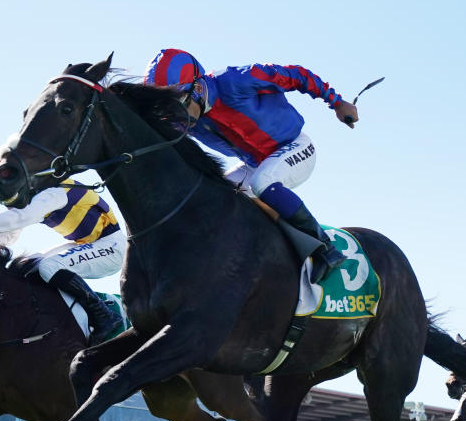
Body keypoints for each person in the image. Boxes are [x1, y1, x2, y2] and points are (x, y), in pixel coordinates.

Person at [144, 49, 359, 283]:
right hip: (255, 163)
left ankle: (324, 249)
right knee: (212, 197)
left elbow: (296, 75)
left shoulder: (236, 80)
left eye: (176, 106)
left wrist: (336, 102)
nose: (175, 118)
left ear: (197, 88)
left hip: (296, 146)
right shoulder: (185, 115)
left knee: (261, 183)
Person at [0, 179, 124, 344]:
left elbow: (18, 218)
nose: (8, 207)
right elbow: (9, 232)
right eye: (3, 203)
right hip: (87, 244)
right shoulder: (39, 197)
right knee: (28, 267)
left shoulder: (53, 194)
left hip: (112, 246)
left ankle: (104, 315)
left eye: (9, 200)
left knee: (48, 267)